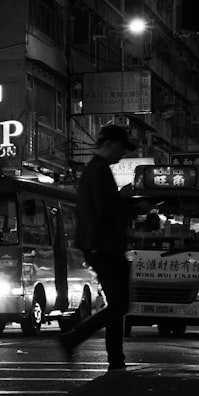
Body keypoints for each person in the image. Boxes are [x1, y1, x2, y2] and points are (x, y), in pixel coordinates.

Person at [60, 124, 137, 371]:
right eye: (122, 149)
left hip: (99, 245)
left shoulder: (94, 169)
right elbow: (107, 210)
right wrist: (127, 202)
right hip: (104, 246)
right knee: (119, 305)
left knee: (117, 304)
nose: (122, 155)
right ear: (112, 144)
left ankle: (116, 360)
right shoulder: (100, 170)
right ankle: (73, 338)